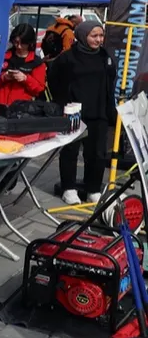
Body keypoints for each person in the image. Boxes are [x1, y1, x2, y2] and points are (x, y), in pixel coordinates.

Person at [49, 20, 117, 205]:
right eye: (94, 36)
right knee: (70, 151)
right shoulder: (68, 58)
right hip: (74, 112)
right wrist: (63, 103)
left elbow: (111, 82)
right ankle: (68, 188)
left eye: (101, 36)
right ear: (82, 36)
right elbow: (53, 79)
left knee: (97, 153)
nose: (98, 39)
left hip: (98, 112)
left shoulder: (105, 56)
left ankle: (93, 189)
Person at [0, 24, 46, 110]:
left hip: (20, 111)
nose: (19, 46)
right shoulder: (3, 57)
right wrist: (4, 77)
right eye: (16, 42)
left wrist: (25, 79)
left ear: (30, 43)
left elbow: (39, 90)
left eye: (23, 43)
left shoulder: (37, 63)